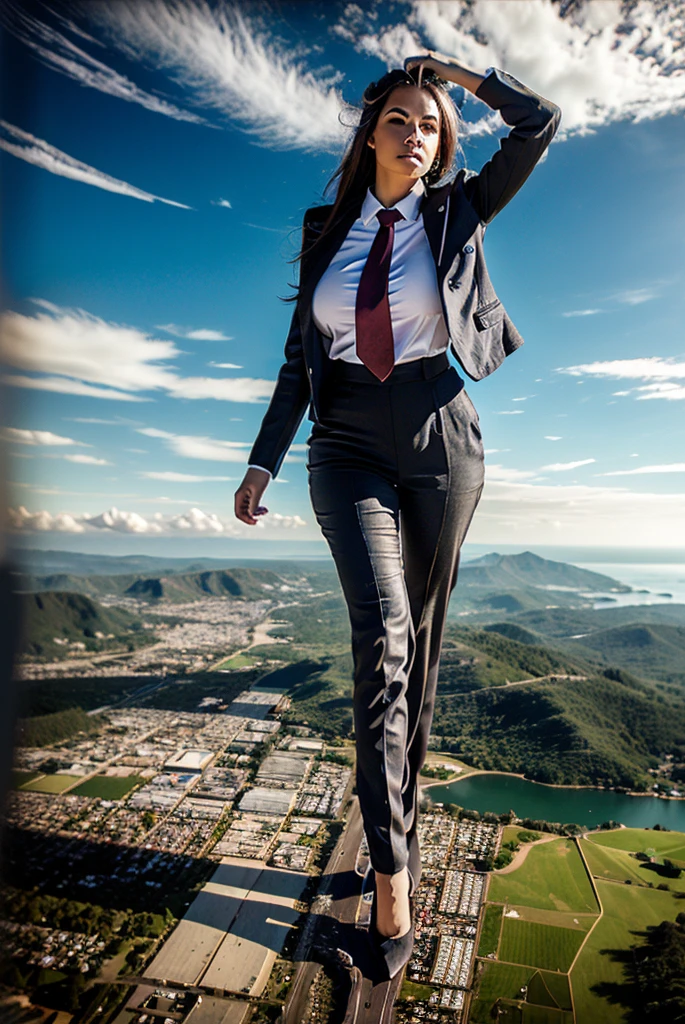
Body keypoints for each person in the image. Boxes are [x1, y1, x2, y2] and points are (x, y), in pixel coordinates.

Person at [234, 50, 561, 980]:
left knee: (420, 641)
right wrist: (263, 461)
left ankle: (394, 814)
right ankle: (392, 878)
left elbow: (540, 124)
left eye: (430, 124)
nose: (415, 133)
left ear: (439, 141)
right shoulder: (323, 232)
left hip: (439, 437)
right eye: (399, 120)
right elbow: (300, 362)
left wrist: (461, 75)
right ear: (371, 133)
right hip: (344, 445)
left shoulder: (459, 209)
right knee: (381, 638)